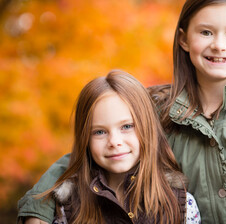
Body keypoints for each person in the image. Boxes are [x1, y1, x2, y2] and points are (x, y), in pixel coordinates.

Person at [18, 0, 226, 223]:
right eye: (205, 32)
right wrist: (38, 210)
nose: (218, 44)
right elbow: (88, 154)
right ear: (184, 39)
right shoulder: (158, 111)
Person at [20, 70, 201, 224]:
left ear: (148, 129)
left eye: (127, 127)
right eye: (99, 132)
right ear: (85, 139)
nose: (114, 141)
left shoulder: (181, 205)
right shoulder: (66, 207)